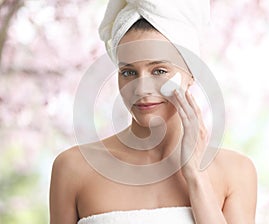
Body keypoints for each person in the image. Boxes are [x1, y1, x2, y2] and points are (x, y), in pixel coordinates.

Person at [49, 0, 257, 223]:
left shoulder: (236, 172)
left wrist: (196, 177)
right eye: (128, 72)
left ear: (191, 74)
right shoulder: (73, 168)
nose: (141, 89)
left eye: (159, 70)